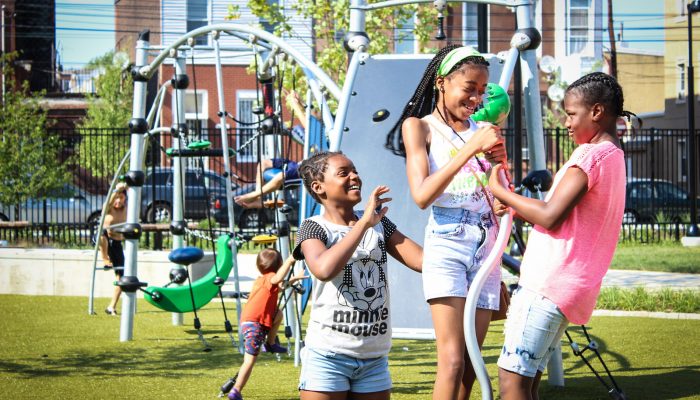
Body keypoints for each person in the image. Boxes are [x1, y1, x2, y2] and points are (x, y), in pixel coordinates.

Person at [488, 72, 631, 400]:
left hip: (547, 285)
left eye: (570, 114)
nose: (565, 122)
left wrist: (501, 191)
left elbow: (552, 217)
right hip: (571, 288)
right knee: (529, 384)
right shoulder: (615, 157)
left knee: (512, 385)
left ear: (596, 112)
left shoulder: (590, 156)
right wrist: (515, 209)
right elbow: (571, 217)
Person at [390, 44, 508, 399]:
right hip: (448, 242)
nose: (476, 97)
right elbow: (422, 195)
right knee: (453, 359)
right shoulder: (419, 127)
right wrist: (472, 148)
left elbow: (499, 192)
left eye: (482, 91)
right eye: (469, 88)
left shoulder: (484, 128)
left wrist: (502, 176)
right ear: (441, 82)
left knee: (473, 362)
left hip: (488, 245)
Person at [292, 151, 423, 400]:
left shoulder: (380, 225)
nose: (355, 177)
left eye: (355, 171)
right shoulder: (313, 227)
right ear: (318, 187)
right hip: (328, 356)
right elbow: (323, 269)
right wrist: (363, 223)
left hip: (374, 359)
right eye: (344, 173)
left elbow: (422, 261)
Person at [228, 249, 307, 400]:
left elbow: (280, 286)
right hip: (254, 324)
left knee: (278, 314)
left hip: (250, 321)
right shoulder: (271, 278)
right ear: (278, 265)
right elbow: (277, 279)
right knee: (249, 361)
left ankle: (270, 343)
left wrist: (294, 279)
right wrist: (290, 260)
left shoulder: (261, 280)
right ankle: (236, 390)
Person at [100, 183, 128, 316]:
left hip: (117, 244)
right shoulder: (109, 208)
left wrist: (127, 186)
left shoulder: (126, 209)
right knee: (102, 234)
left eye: (121, 198)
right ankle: (105, 259)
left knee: (122, 277)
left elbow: (134, 195)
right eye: (116, 197)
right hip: (104, 240)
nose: (118, 200)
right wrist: (116, 191)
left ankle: (111, 307)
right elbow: (109, 201)